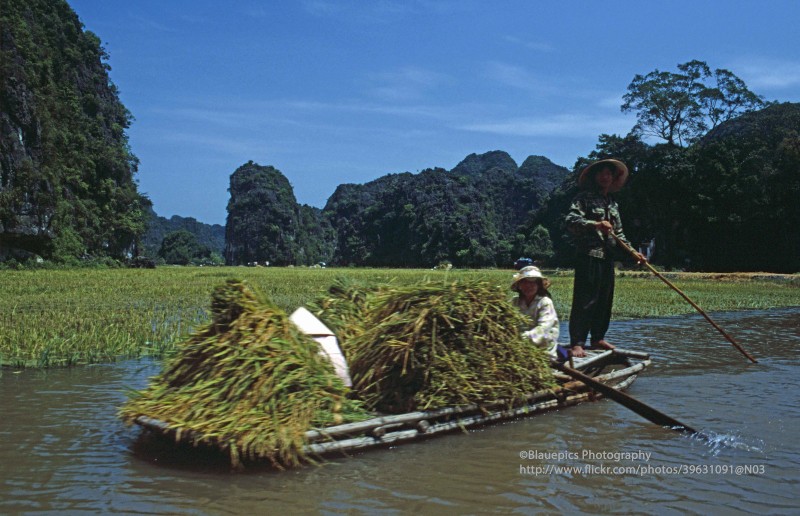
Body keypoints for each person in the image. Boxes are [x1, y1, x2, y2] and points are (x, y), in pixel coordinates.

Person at [565, 159, 645, 358]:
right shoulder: (583, 199)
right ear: (595, 177)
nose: (605, 177)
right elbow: (572, 221)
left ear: (612, 178)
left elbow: (620, 234)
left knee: (604, 300)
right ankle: (578, 342)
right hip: (589, 255)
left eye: (609, 173)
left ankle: (598, 337)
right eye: (601, 173)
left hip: (607, 257)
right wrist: (596, 224)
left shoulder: (612, 203)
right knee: (585, 300)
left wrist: (633, 252)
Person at [510, 265, 559, 357]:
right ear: (519, 286)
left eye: (532, 283)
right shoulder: (514, 302)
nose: (528, 286)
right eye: (525, 283)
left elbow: (543, 328)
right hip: (519, 350)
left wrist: (521, 339)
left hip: (543, 351)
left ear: (538, 286)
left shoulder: (545, 302)